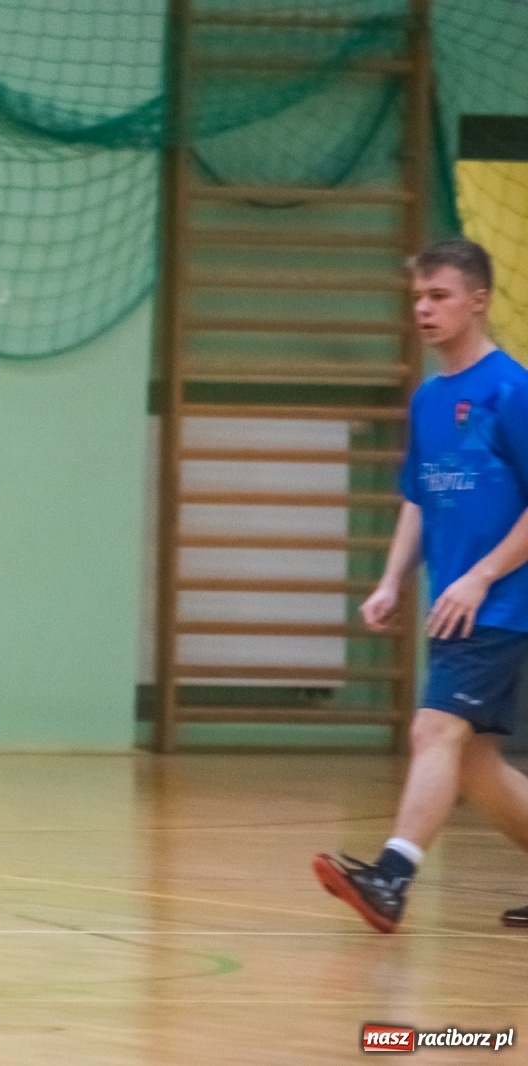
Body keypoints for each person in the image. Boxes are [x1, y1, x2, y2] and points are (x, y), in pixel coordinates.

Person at [314, 238, 528, 931]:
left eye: (438, 296)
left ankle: (392, 878)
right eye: (417, 297)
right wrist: (389, 579)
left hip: (500, 602)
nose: (424, 309)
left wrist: (480, 577)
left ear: (478, 300)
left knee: (433, 730)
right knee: (477, 767)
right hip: (455, 606)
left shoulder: (512, 390)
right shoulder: (430, 399)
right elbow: (418, 497)